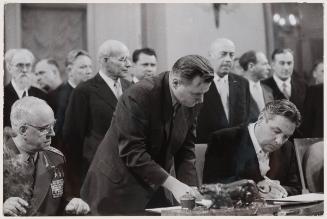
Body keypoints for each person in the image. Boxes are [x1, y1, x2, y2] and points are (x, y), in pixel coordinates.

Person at [80, 55, 214, 215]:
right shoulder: (139, 95)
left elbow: (186, 149)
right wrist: (174, 185)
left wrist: (189, 188)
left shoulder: (191, 100)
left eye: (204, 93)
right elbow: (132, 152)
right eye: (196, 94)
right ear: (176, 82)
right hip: (116, 189)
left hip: (154, 185)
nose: (201, 100)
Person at [62, 40, 132, 195]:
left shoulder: (130, 88)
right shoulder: (84, 91)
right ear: (104, 60)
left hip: (129, 169)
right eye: (122, 60)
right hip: (97, 170)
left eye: (128, 59)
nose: (128, 64)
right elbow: (72, 137)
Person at [3, 97, 90, 216]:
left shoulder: (56, 158)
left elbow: (61, 200)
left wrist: (72, 204)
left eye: (53, 125)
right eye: (44, 129)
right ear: (23, 130)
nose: (52, 133)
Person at [203, 99, 302, 198]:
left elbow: (295, 188)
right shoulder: (223, 139)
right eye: (276, 131)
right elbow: (210, 187)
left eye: (286, 136)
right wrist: (255, 191)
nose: (279, 141)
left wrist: (278, 189)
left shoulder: (288, 148)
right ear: (261, 119)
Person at [196, 38, 252, 143]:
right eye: (223, 54)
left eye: (231, 55)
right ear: (210, 55)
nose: (228, 59)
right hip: (208, 148)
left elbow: (246, 121)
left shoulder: (242, 83)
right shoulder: (199, 83)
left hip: (236, 149)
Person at [48, 49, 93, 150]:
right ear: (69, 70)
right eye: (83, 67)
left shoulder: (94, 94)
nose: (89, 71)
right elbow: (56, 134)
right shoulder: (56, 96)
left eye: (90, 67)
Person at [4, 49, 47, 127]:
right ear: (9, 68)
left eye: (28, 65)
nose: (24, 70)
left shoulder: (42, 96)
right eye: (20, 65)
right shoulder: (3, 95)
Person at [262, 48, 307, 114]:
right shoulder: (263, 86)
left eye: (289, 63)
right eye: (282, 63)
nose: (286, 68)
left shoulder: (303, 86)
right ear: (273, 65)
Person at [239, 50, 274, 119]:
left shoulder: (268, 91)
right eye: (264, 64)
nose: (269, 68)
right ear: (251, 66)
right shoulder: (235, 91)